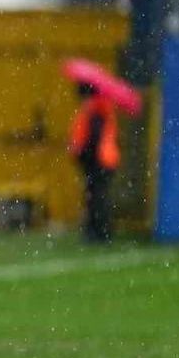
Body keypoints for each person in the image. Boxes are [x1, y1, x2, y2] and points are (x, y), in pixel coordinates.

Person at [68, 82, 119, 242]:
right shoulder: (101, 108)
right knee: (98, 195)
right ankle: (99, 230)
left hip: (99, 160)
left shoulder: (95, 110)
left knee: (96, 196)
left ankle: (98, 231)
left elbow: (93, 139)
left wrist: (82, 153)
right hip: (104, 159)